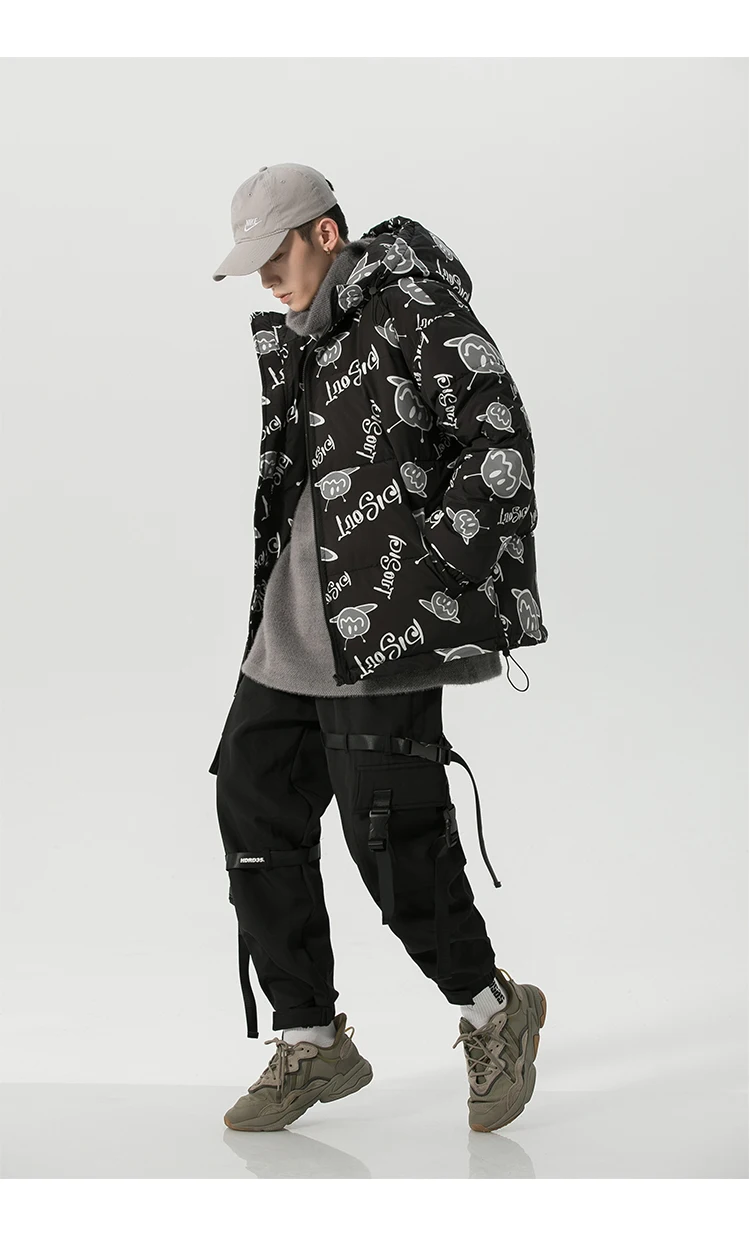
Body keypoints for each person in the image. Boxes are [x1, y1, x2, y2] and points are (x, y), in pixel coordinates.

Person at [208, 162, 548, 1133]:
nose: (267, 279)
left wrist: (432, 573)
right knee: (253, 803)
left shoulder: (411, 305)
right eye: (253, 264)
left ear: (326, 233)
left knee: (391, 840)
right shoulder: (300, 336)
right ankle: (311, 1039)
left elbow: (498, 439)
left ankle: (493, 1012)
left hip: (385, 631)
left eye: (277, 255)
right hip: (290, 629)